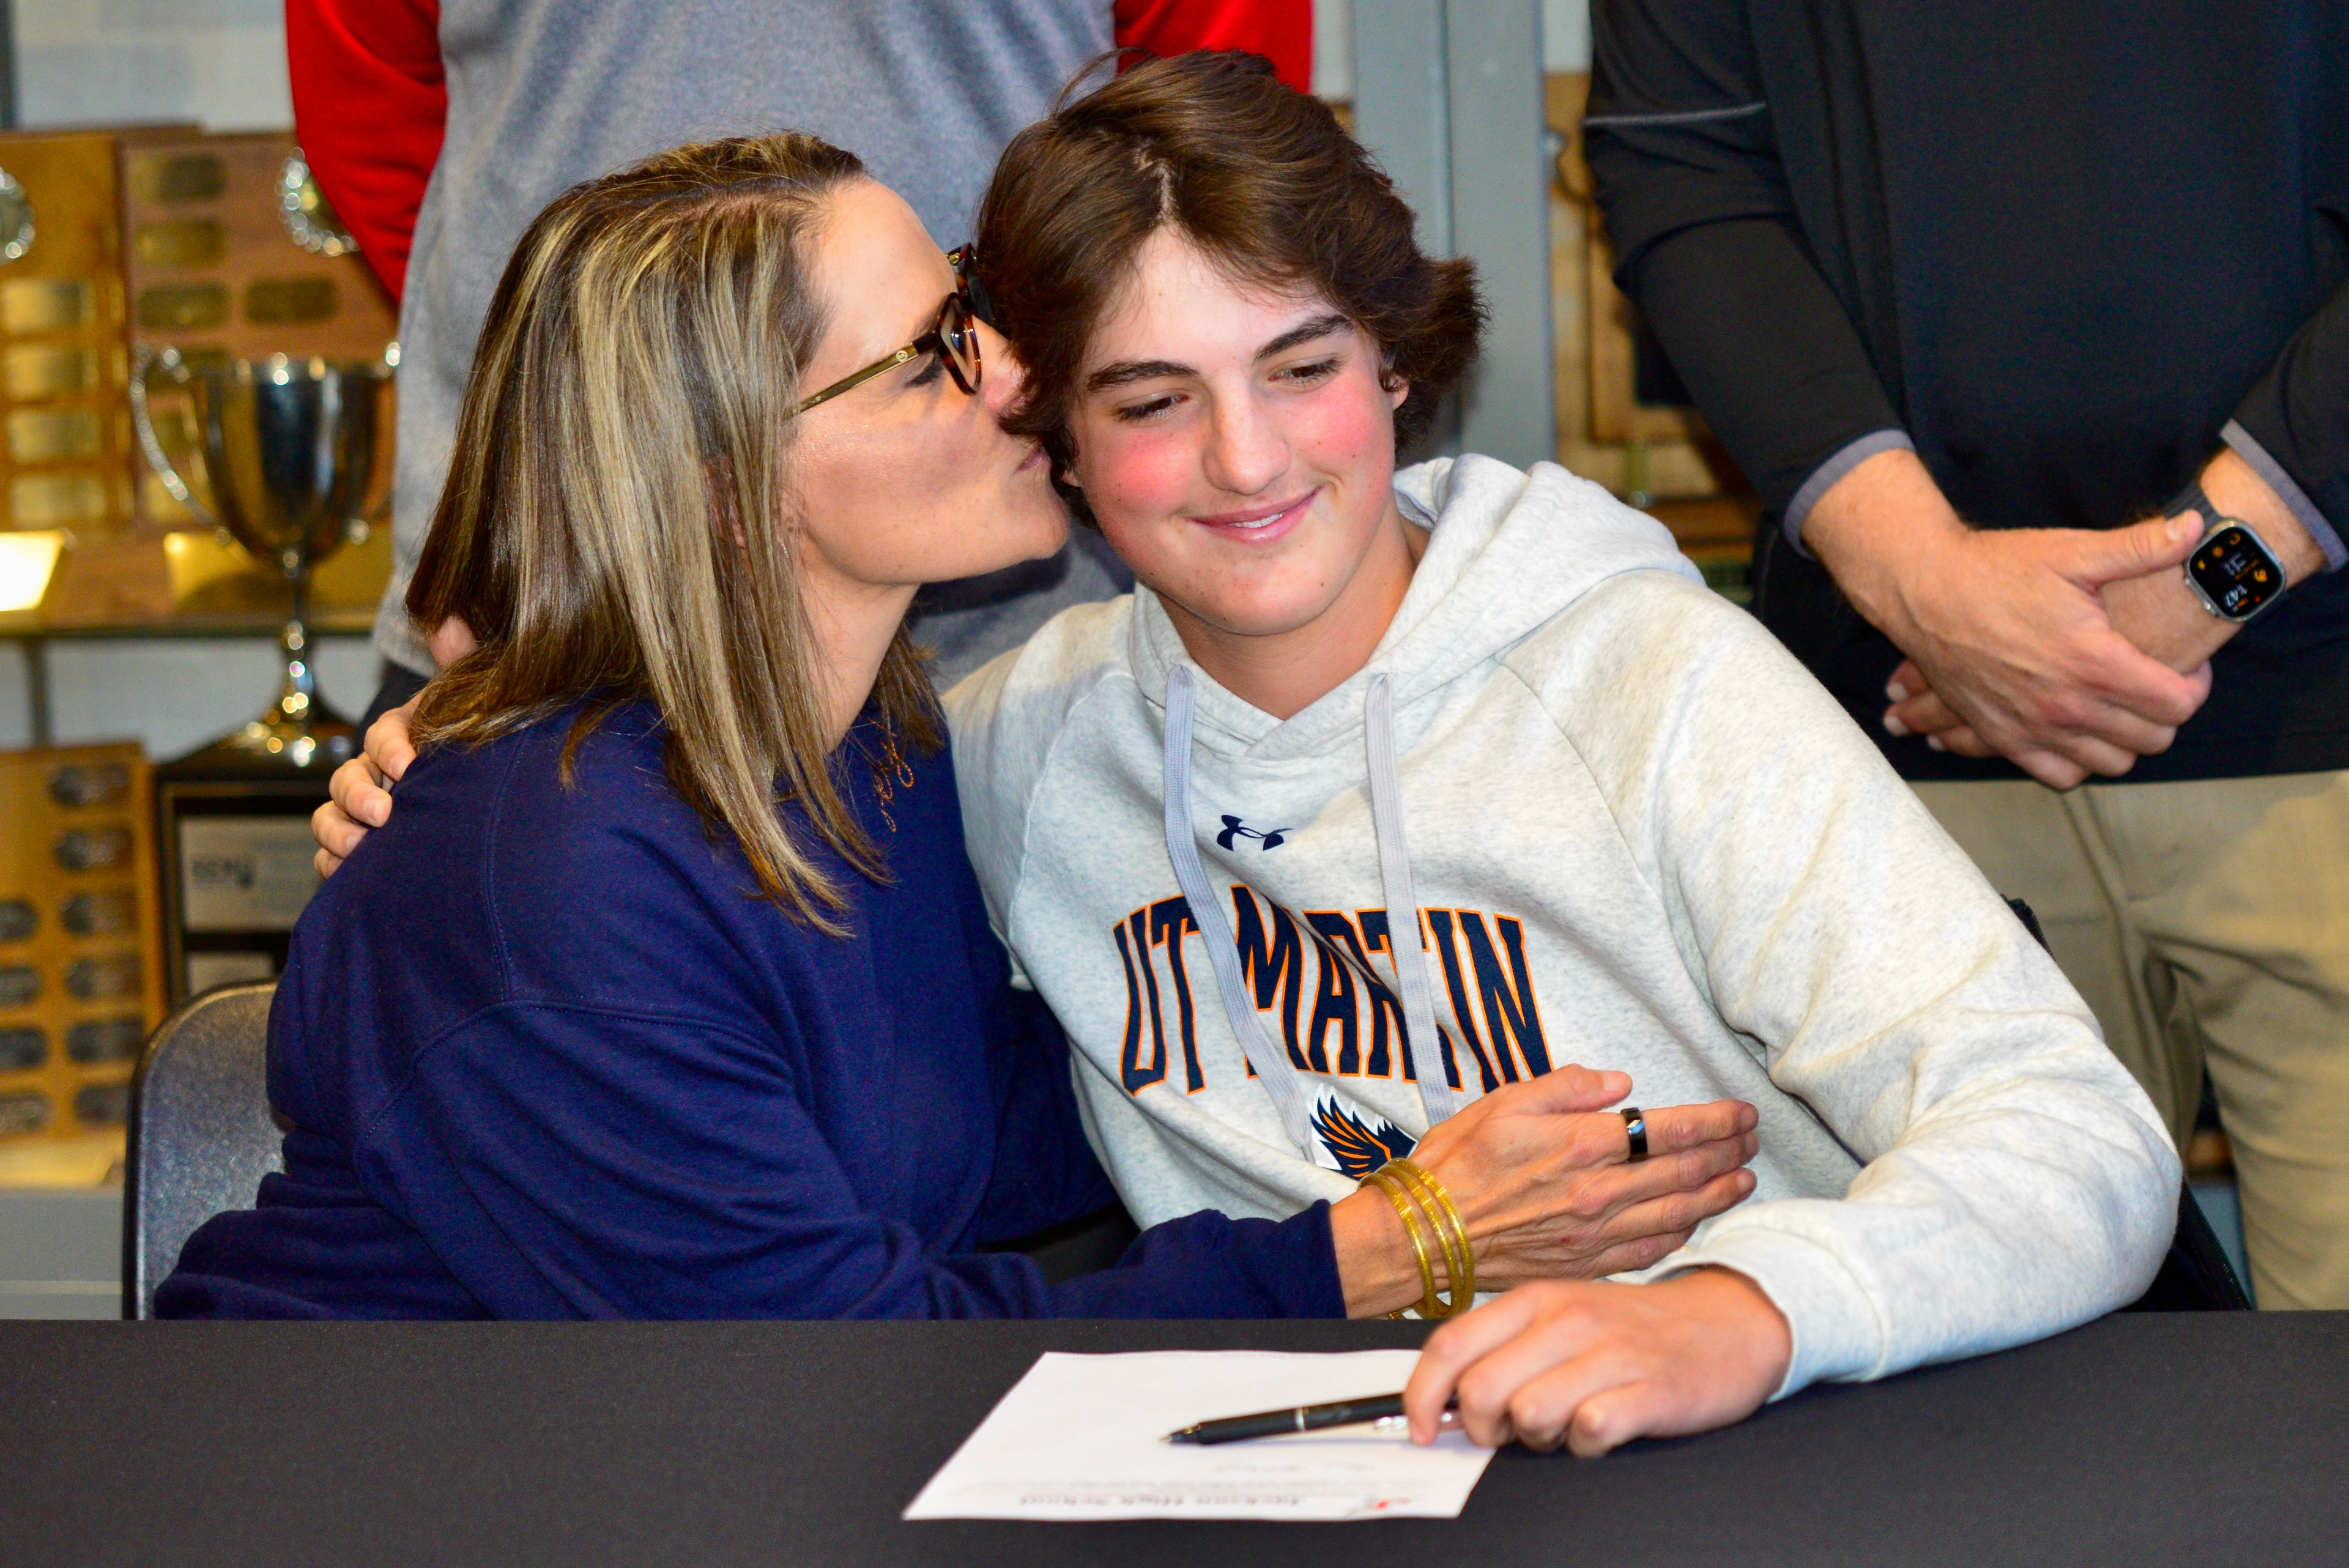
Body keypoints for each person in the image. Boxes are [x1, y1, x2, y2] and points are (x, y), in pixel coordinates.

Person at [320, 53, 2179, 1449]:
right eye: (1143, 397)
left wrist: (1741, 1308)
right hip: (609, 1471)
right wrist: (446, 785)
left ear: (1395, 362)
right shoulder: (998, 752)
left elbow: (2075, 1132)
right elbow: (778, 1280)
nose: (1246, 462)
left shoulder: (1650, 689)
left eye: (1302, 366)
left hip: (1739, 1436)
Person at [165, 135, 1761, 1321]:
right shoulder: (550, 871)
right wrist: (1398, 1235)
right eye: (937, 354)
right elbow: (847, 1366)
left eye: (973, 314)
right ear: (725, 481)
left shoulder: (885, 762)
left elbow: (1032, 1131)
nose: (1019, 374)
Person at [1583, 1, 2349, 1308]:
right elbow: (1685, 162)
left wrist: (2212, 577)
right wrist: (1926, 585)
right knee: (2002, 1441)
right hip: (1905, 756)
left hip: (2320, 733)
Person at [286, 0, 1313, 721]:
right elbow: (365, 102)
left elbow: (1211, 109)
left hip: (1028, 600)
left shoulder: (1002, 394)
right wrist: (610, 368)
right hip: (570, 576)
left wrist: (959, 347)